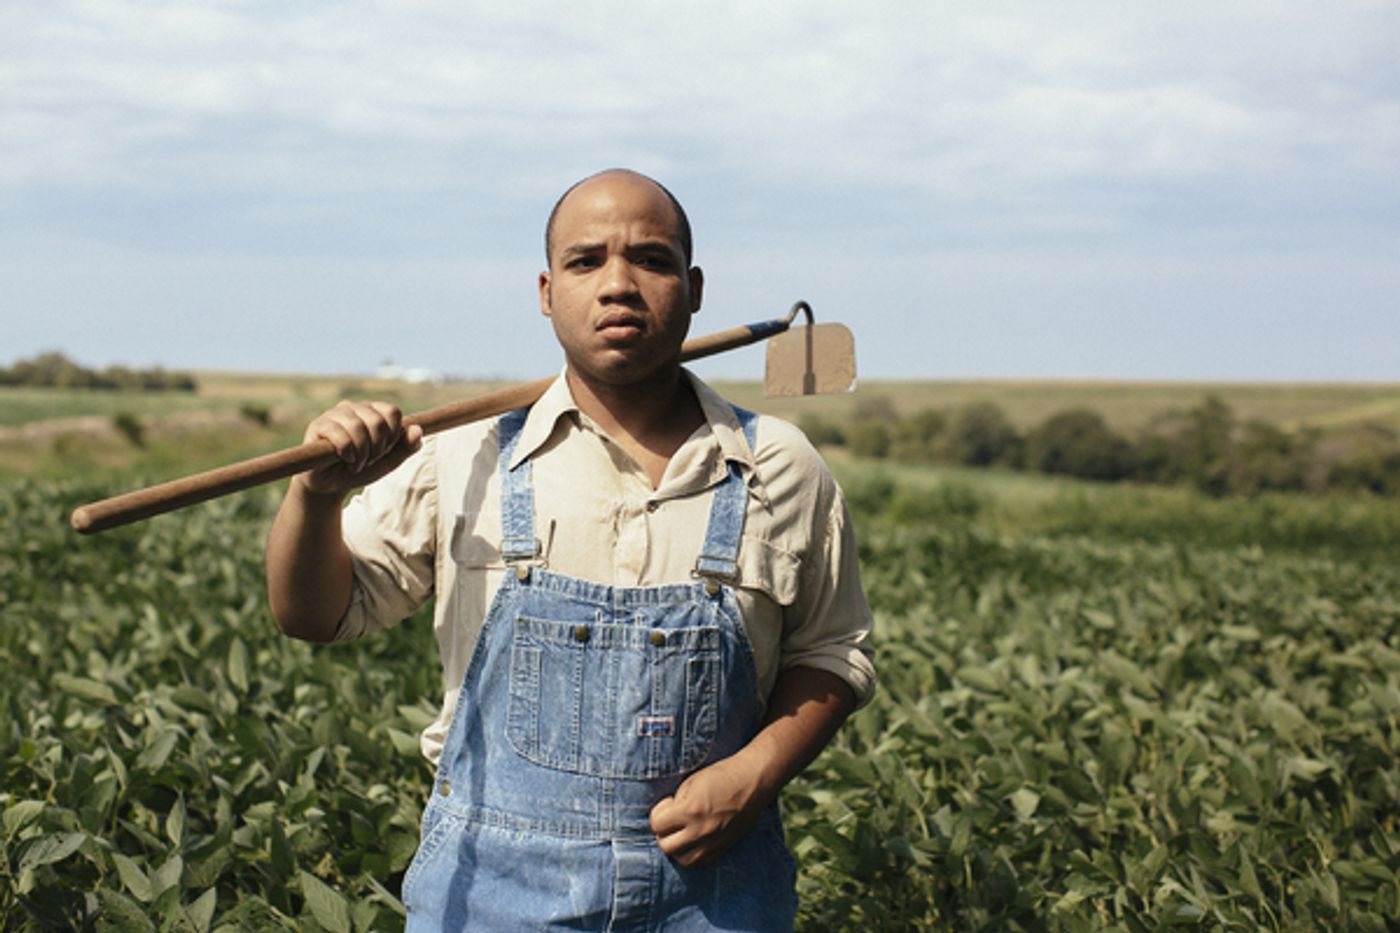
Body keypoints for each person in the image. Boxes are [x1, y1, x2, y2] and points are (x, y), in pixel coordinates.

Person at [265, 168, 876, 931]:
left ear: (693, 288)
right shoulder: (464, 455)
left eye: (650, 260)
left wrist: (756, 772)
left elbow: (834, 651)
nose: (618, 284)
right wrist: (316, 495)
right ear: (548, 291)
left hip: (715, 896)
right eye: (587, 262)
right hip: (490, 895)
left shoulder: (780, 465)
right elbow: (313, 614)